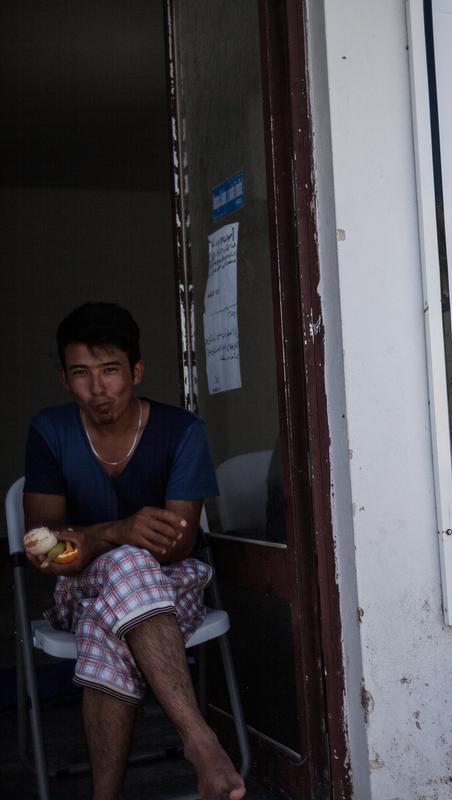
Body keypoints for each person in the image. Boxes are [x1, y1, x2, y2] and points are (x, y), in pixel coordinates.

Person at [22, 303, 246, 800]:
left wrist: (87, 539)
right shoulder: (50, 431)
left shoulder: (182, 431)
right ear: (64, 379)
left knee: (110, 611)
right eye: (81, 373)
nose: (97, 388)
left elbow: (177, 542)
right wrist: (118, 532)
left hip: (172, 587)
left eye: (110, 370)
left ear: (136, 371)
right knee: (128, 559)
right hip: (79, 589)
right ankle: (200, 741)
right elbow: (46, 543)